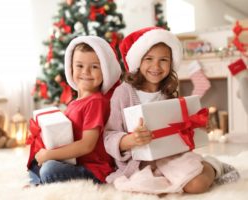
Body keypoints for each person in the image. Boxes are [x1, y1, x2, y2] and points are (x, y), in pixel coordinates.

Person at [104, 27, 240, 194]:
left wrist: (199, 126)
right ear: (138, 61)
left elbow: (180, 128)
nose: (156, 66)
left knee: (196, 185)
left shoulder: (168, 91)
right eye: (149, 59)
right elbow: (109, 136)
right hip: (138, 164)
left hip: (173, 158)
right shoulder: (123, 92)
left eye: (163, 60)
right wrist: (130, 140)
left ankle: (214, 165)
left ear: (171, 62)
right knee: (142, 189)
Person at [27, 35, 122, 185]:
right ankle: (38, 179)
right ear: (70, 68)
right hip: (73, 162)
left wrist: (50, 155)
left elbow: (87, 145)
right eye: (79, 66)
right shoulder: (74, 103)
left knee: (49, 169)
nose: (86, 72)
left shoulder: (96, 102)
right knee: (36, 161)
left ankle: (40, 179)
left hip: (92, 168)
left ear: (105, 71)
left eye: (95, 67)